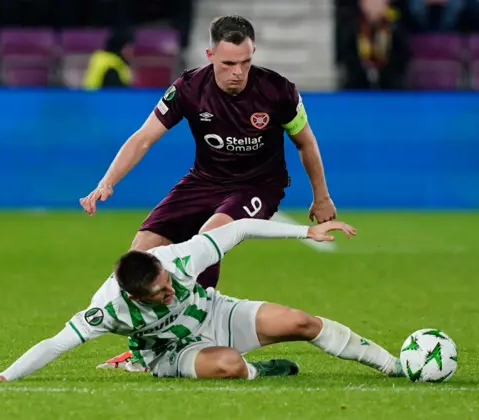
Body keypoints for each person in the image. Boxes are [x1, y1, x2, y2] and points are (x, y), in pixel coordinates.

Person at [79, 15, 337, 369]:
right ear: (210, 54)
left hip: (258, 185)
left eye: (245, 62)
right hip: (203, 180)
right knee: (141, 252)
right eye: (228, 63)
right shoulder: (188, 88)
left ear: (253, 54)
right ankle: (141, 350)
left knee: (209, 238)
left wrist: (321, 197)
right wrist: (106, 182)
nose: (238, 72)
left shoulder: (278, 91)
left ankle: (196, 332)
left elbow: (306, 144)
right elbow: (143, 138)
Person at [0, 218, 404, 383]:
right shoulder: (109, 308)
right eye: (160, 292)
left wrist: (303, 232)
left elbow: (240, 229)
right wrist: (5, 377)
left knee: (301, 321)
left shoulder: (174, 259)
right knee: (229, 365)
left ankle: (394, 365)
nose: (170, 288)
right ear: (136, 296)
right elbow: (55, 342)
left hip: (216, 312)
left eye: (168, 282)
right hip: (172, 351)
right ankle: (261, 371)